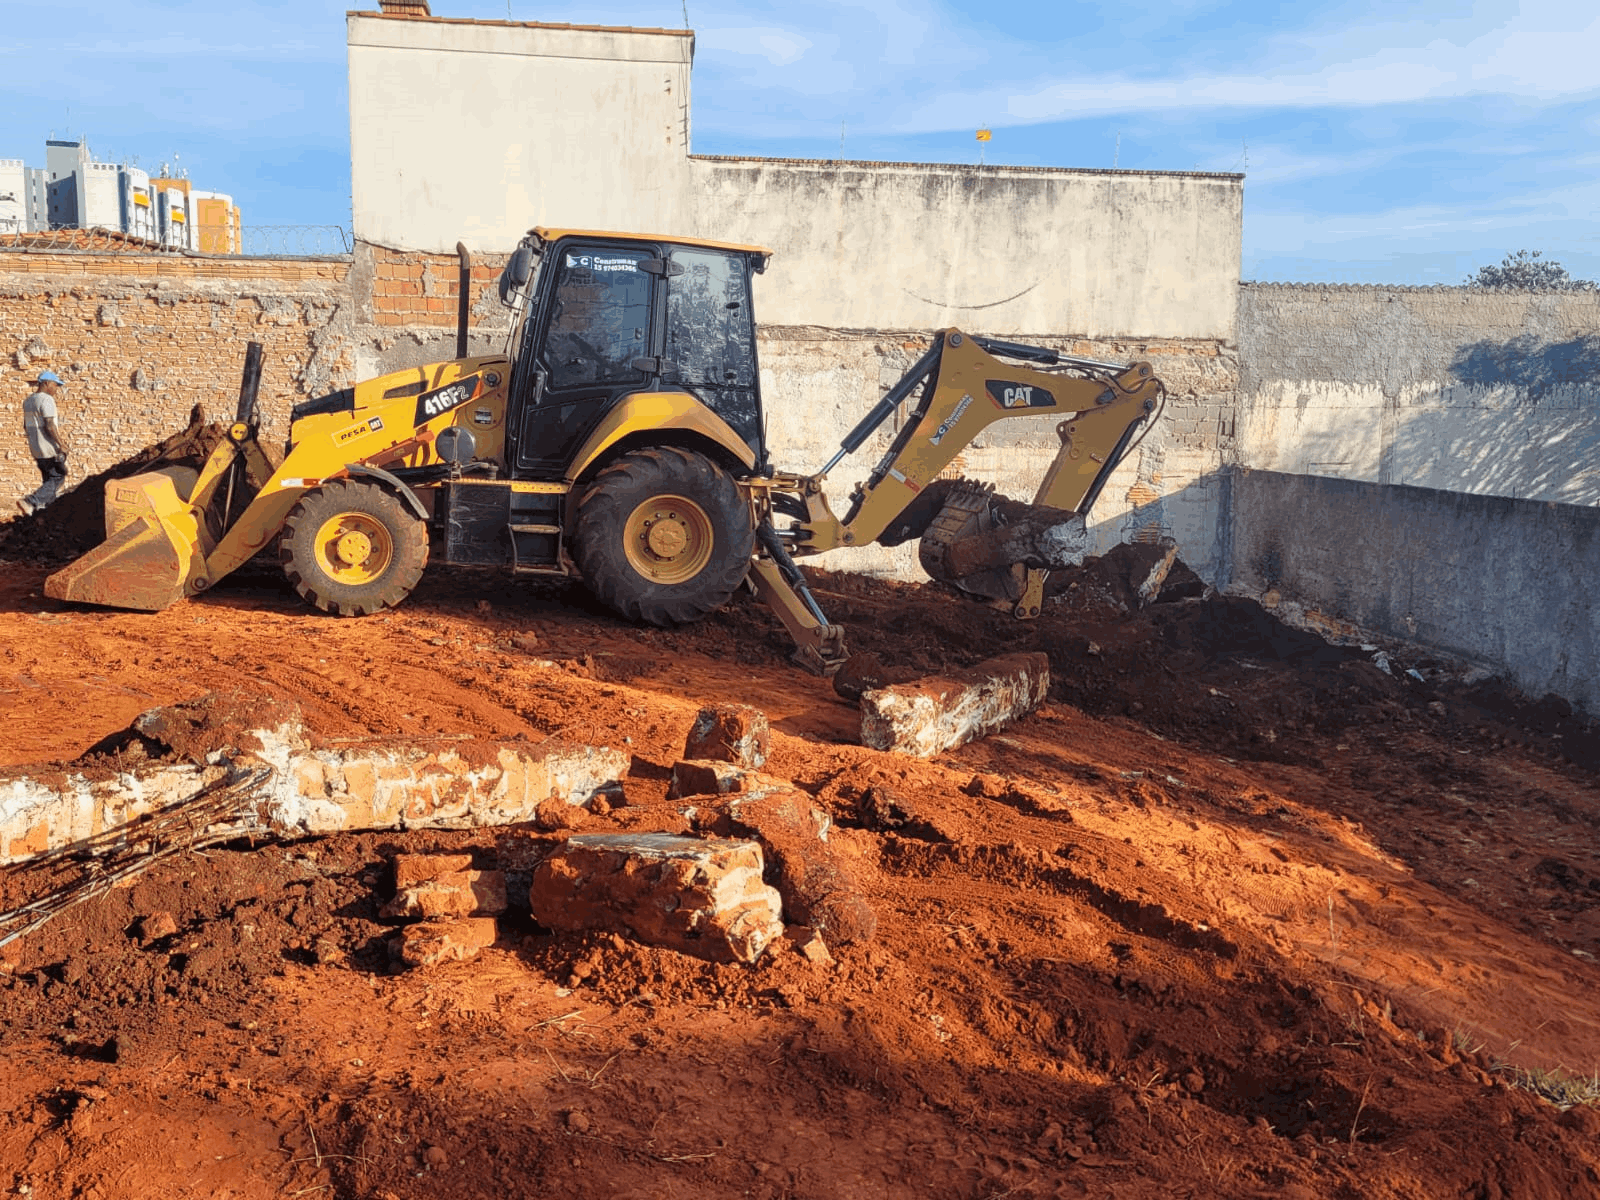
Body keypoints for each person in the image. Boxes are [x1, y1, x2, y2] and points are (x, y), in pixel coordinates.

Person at [19, 369, 71, 516]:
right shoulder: (46, 399)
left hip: (35, 447)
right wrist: (61, 444)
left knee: (48, 480)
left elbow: (25, 426)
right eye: (55, 385)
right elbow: (49, 424)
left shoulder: (28, 401)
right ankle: (30, 501)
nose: (56, 389)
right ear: (47, 383)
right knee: (58, 476)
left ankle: (45, 510)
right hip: (48, 447)